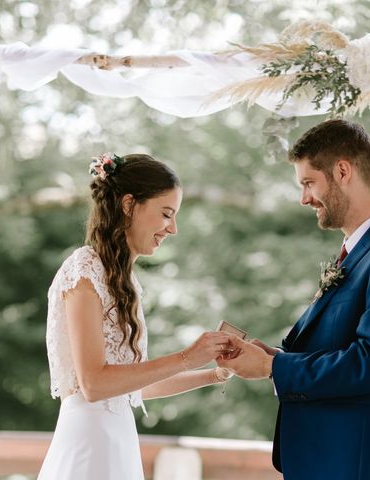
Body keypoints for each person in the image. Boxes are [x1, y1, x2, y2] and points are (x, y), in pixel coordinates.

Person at [218, 120, 370, 479]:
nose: (304, 198)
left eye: (308, 183)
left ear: (343, 171)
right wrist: (271, 358)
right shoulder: (361, 250)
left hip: (363, 465)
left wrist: (274, 369)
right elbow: (340, 344)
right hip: (331, 460)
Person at [38, 153, 235, 480]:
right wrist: (187, 356)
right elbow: (94, 385)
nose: (173, 228)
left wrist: (215, 373)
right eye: (166, 214)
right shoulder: (84, 271)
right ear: (129, 205)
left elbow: (133, 388)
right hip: (89, 446)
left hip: (118, 442)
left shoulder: (126, 283)